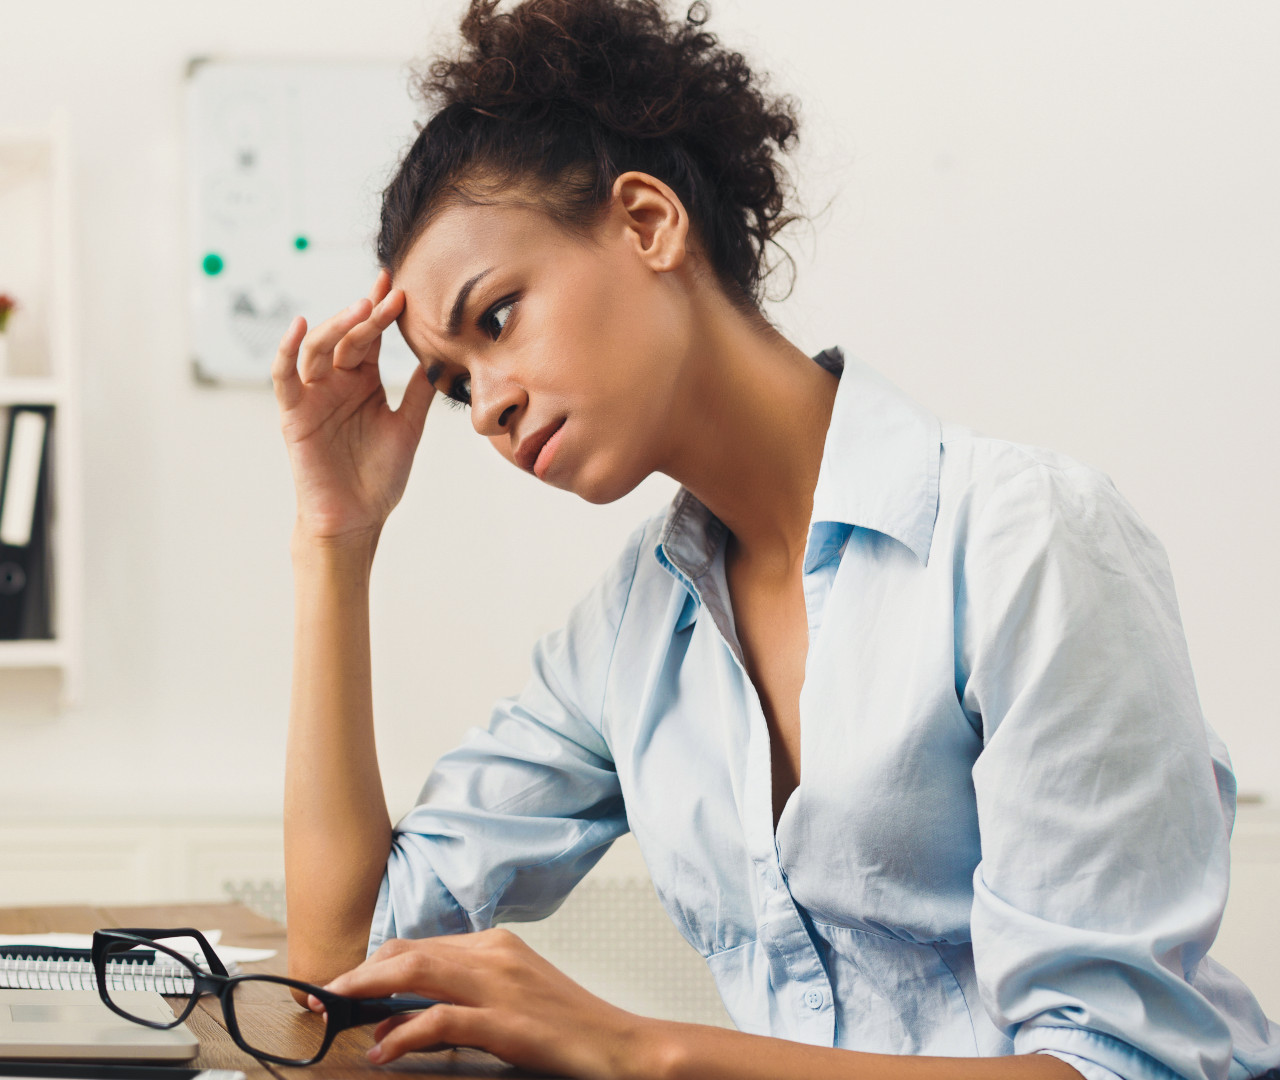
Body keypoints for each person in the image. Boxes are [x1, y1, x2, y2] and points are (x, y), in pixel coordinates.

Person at [270, 1, 1278, 1078]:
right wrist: (338, 537)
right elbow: (346, 954)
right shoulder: (635, 631)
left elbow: (1122, 1071)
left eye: (498, 318)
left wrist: (635, 1047)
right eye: (455, 382)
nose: (486, 409)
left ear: (649, 222)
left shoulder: (1026, 542)